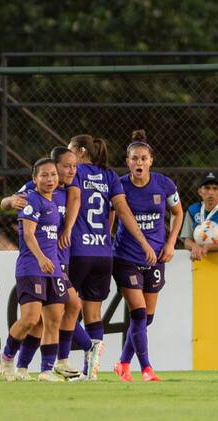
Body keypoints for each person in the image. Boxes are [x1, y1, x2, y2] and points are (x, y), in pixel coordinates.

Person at [59, 134, 153, 380]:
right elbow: (122, 211)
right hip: (103, 252)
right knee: (93, 313)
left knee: (59, 308)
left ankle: (68, 359)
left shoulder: (75, 173)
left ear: (79, 151)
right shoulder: (109, 175)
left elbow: (75, 201)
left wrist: (67, 228)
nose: (68, 159)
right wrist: (143, 242)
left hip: (77, 249)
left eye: (70, 152)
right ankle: (91, 371)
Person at [0, 147, 86, 381]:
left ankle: (46, 370)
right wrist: (41, 258)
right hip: (32, 266)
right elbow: (27, 234)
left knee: (53, 319)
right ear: (34, 179)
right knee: (30, 318)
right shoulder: (30, 198)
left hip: (54, 267)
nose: (50, 179)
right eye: (44, 175)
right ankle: (7, 357)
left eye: (52, 175)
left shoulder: (63, 193)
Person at [111, 130, 182, 382]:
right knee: (139, 313)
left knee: (146, 318)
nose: (139, 163)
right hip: (126, 257)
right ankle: (147, 369)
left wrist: (171, 242)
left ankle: (122, 362)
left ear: (151, 160)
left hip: (155, 258)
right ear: (127, 161)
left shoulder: (165, 184)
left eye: (143, 158)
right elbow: (111, 215)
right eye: (134, 158)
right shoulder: (118, 185)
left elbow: (178, 212)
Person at [180, 172, 218, 261]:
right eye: (207, 188)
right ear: (200, 191)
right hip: (199, 260)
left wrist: (210, 246)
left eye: (215, 188)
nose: (211, 192)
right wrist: (194, 246)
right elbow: (187, 241)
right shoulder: (192, 210)